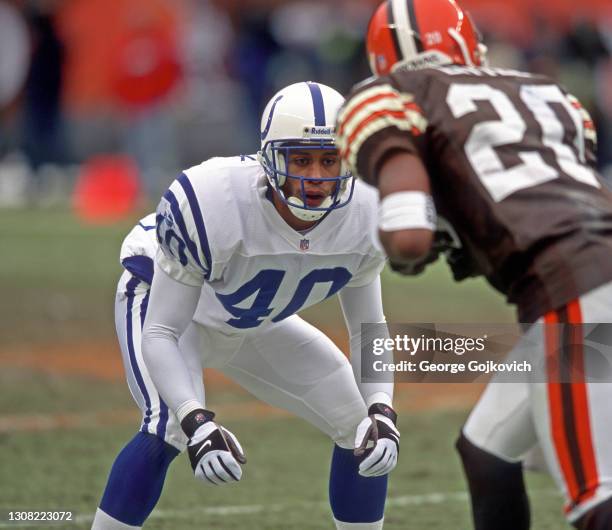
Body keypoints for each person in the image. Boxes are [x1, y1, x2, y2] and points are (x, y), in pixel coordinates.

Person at [335, 1, 612, 529]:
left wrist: (407, 247)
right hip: (590, 268)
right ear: (470, 47)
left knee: (597, 501)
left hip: (573, 285)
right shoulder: (548, 93)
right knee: (487, 452)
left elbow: (411, 232)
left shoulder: (387, 96)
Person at [92, 81, 400, 530]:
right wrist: (197, 421)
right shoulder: (212, 199)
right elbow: (162, 332)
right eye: (301, 158)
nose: (316, 175)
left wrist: (382, 408)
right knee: (168, 427)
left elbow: (369, 327)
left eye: (329, 158)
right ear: (271, 158)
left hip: (250, 319)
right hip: (173, 312)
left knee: (361, 429)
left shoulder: (369, 211)